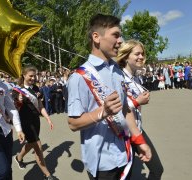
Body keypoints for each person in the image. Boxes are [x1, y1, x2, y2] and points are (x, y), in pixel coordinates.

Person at [67, 14, 151, 180]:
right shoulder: (79, 77)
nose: (120, 40)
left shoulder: (116, 70)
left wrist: (139, 140)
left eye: (120, 35)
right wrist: (102, 112)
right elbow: (73, 123)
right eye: (115, 35)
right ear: (96, 37)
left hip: (124, 153)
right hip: (102, 163)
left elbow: (126, 109)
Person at [116, 39, 164, 180]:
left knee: (157, 169)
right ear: (126, 56)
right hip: (123, 135)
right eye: (137, 54)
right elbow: (117, 109)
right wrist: (137, 102)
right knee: (124, 177)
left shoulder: (136, 78)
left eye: (142, 54)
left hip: (137, 129)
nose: (141, 57)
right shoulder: (118, 78)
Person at [12, 66, 55, 180]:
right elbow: (13, 109)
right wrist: (18, 101)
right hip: (26, 122)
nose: (33, 78)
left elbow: (40, 106)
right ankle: (47, 175)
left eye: (34, 75)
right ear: (24, 75)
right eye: (30, 75)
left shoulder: (35, 88)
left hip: (36, 121)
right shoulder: (17, 90)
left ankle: (19, 157)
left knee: (31, 143)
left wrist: (48, 118)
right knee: (38, 146)